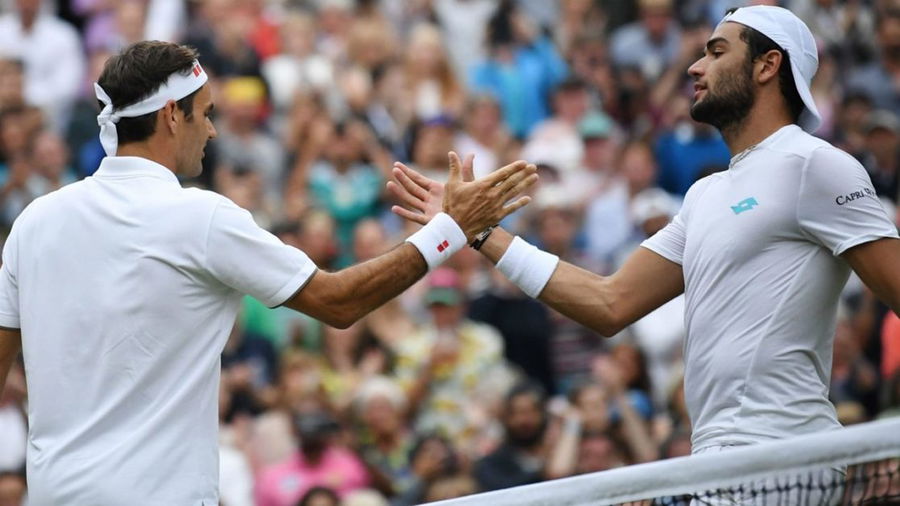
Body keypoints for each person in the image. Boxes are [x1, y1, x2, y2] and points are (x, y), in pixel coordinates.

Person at [0, 41, 537, 505]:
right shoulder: (201, 217)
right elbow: (338, 301)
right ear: (171, 117)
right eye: (205, 113)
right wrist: (450, 229)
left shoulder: (34, 221)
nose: (212, 129)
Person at [389, 4, 900, 460]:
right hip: (715, 458)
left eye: (717, 52)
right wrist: (478, 230)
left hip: (788, 452)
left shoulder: (817, 165)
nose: (695, 67)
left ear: (768, 66)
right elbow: (609, 303)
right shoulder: (704, 195)